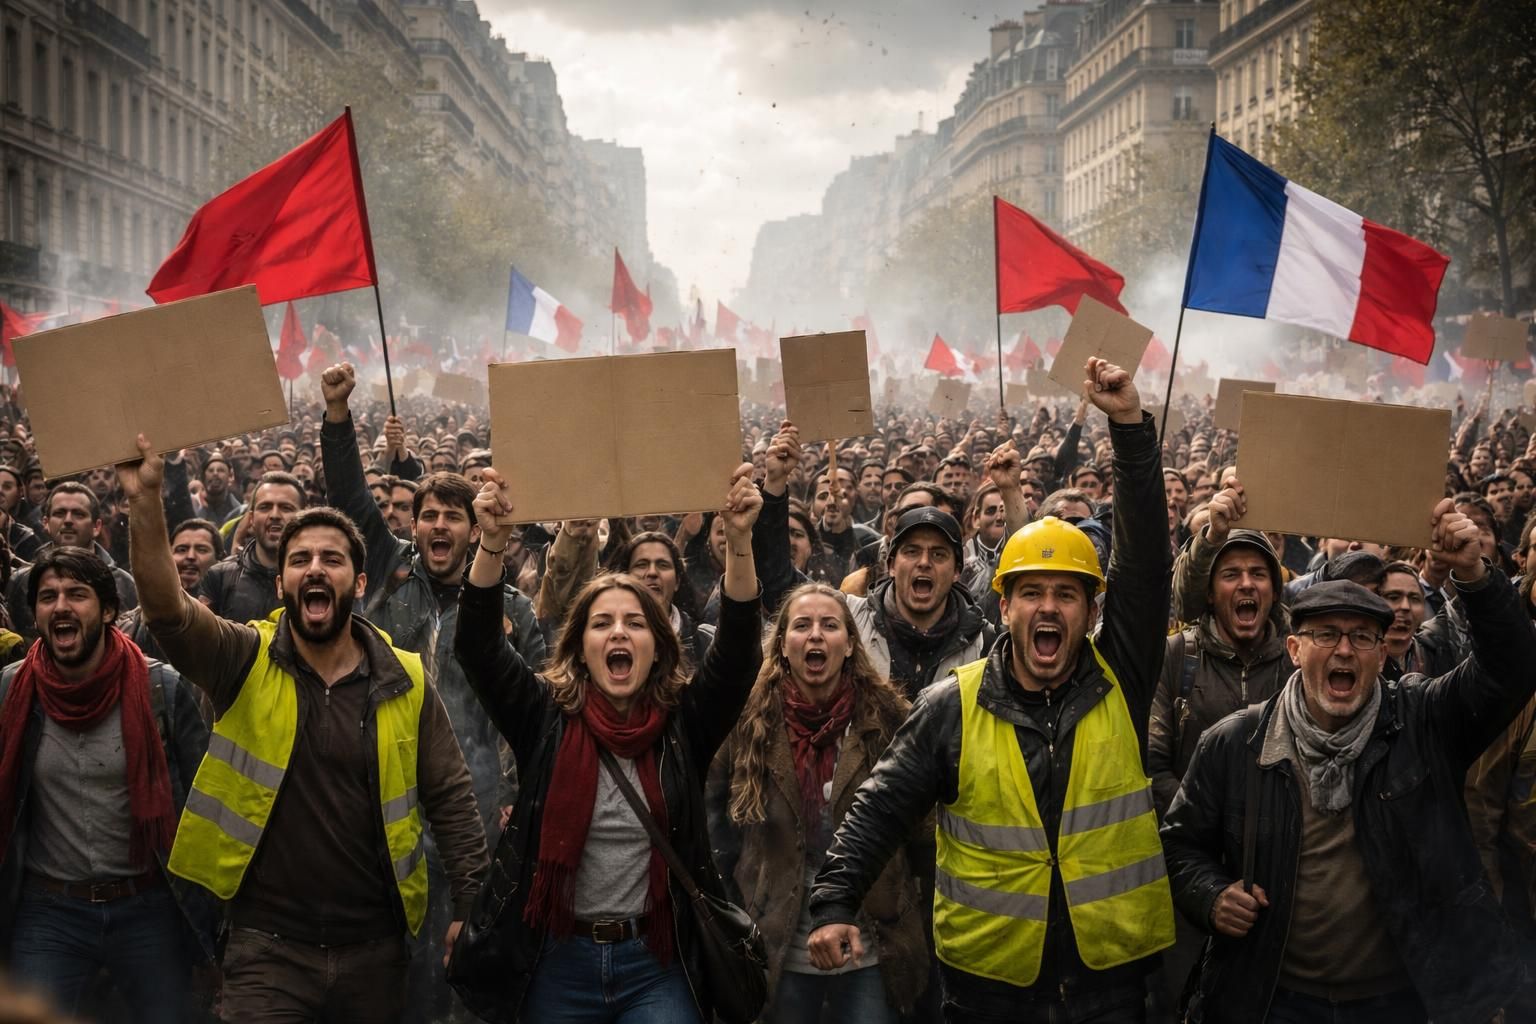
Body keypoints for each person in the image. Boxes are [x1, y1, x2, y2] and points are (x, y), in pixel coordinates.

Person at [808, 359, 1174, 1024]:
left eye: (1067, 594)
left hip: (1111, 988)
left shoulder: (1123, 677)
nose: (1049, 609)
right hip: (988, 992)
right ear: (1002, 607)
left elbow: (1147, 564)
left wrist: (1129, 428)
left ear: (1093, 612)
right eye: (1031, 592)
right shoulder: (953, 704)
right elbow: (879, 810)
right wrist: (834, 903)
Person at [119, 435, 488, 1023]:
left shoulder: (406, 680)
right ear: (283, 582)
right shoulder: (244, 658)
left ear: (360, 584)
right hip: (266, 951)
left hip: (376, 952)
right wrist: (144, 503)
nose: (315, 569)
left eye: (332, 559)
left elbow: (452, 799)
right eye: (300, 560)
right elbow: (168, 613)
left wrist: (469, 905)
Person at [1160, 498, 1536, 1024]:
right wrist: (1212, 895)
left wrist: (1474, 573)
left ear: (1382, 656)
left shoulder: (1423, 722)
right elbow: (1180, 846)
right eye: (1325, 634)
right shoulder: (1237, 742)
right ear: (1294, 648)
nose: (1344, 650)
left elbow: (1514, 668)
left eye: (1362, 637)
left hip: (1400, 1001)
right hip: (1277, 999)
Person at [449, 462, 764, 1023]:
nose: (618, 632)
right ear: (580, 646)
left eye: (634, 623)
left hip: (657, 962)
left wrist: (740, 543)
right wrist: (491, 545)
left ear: (658, 645)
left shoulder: (682, 723)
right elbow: (477, 648)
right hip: (557, 958)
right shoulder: (543, 715)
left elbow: (739, 657)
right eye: (602, 623)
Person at [0, 547, 211, 1021]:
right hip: (49, 911)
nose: (61, 607)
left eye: (77, 594)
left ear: (109, 610)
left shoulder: (163, 690)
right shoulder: (11, 692)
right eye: (48, 596)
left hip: (147, 906)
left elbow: (202, 810)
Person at [708, 582, 928, 1023]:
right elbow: (716, 826)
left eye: (830, 626)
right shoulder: (748, 720)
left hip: (870, 944)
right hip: (778, 946)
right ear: (783, 645)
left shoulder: (888, 718)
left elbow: (922, 829)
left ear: (849, 645)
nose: (815, 636)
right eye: (802, 625)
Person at [7, 483, 139, 641]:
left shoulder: (124, 583)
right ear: (46, 523)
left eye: (78, 514)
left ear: (96, 527)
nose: (68, 520)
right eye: (60, 513)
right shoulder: (21, 582)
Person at [200, 471, 305, 625]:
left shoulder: (313, 579)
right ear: (251, 519)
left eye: (286, 508)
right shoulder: (220, 577)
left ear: (303, 516)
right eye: (265, 507)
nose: (275, 515)